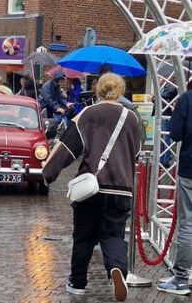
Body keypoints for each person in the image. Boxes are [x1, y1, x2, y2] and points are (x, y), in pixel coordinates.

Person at [43, 73, 142, 302]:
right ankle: (117, 269)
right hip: (121, 188)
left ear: (98, 90)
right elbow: (136, 152)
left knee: (84, 236)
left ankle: (77, 283)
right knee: (113, 235)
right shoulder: (131, 118)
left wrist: (48, 174)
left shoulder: (87, 115)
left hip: (91, 187)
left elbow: (67, 148)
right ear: (121, 91)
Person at [157, 85, 192, 295]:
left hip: (190, 169)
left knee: (187, 224)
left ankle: (181, 278)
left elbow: (175, 133)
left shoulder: (187, 98)